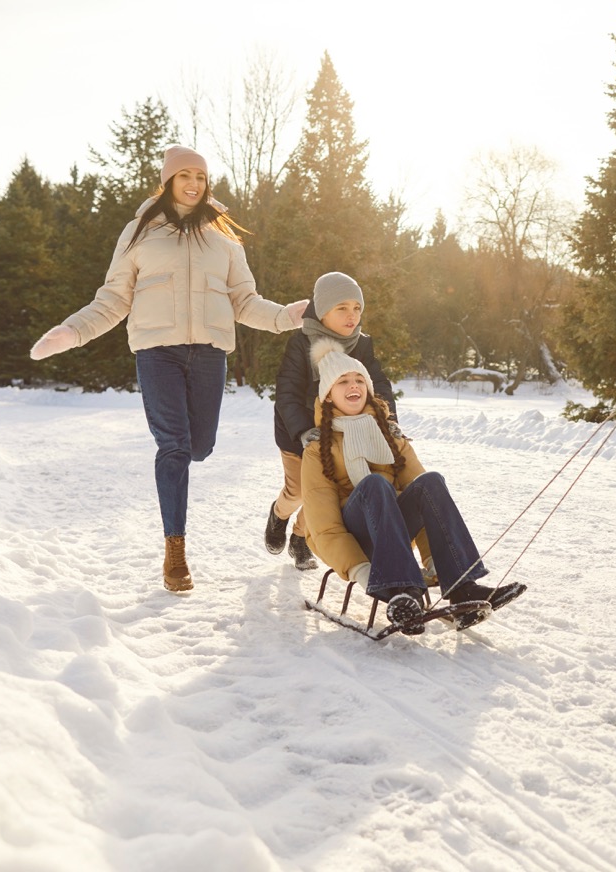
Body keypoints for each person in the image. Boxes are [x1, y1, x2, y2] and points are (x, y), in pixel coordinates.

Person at [29, 145, 308, 593]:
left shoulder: (224, 240)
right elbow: (114, 298)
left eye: (200, 176)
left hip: (209, 354)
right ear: (168, 181)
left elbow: (244, 301)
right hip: (157, 353)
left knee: (200, 447)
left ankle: (181, 511)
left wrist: (286, 317)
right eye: (184, 176)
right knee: (174, 447)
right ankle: (175, 550)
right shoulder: (139, 233)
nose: (193, 183)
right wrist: (72, 331)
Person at [300, 338, 526, 634]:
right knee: (376, 484)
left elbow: (423, 499)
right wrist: (361, 570)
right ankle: (401, 592)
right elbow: (323, 527)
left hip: (392, 533)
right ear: (328, 396)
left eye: (359, 379)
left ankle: (462, 588)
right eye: (343, 381)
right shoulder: (317, 448)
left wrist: (431, 559)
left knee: (430, 482)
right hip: (356, 537)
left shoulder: (390, 435)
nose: (353, 385)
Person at [266, 272, 395, 571]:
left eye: (357, 308)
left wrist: (389, 420)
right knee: (298, 490)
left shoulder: (361, 344)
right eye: (342, 308)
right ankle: (279, 514)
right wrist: (301, 430)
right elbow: (287, 392)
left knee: (325, 492)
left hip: (339, 432)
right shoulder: (301, 344)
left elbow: (379, 384)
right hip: (297, 431)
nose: (352, 316)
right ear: (322, 311)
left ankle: (300, 538)